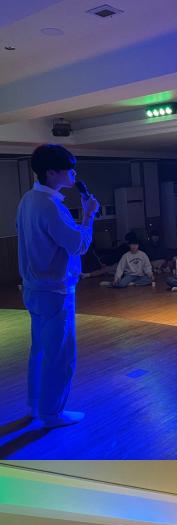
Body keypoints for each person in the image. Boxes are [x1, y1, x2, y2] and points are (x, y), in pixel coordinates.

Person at [16, 144, 99, 427]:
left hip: (33, 288)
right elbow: (78, 245)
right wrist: (88, 215)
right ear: (51, 172)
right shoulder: (51, 206)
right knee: (60, 355)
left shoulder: (28, 200)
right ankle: (52, 413)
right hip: (56, 290)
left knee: (39, 350)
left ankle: (35, 405)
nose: (74, 174)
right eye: (69, 169)